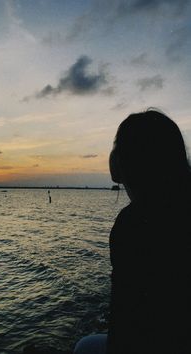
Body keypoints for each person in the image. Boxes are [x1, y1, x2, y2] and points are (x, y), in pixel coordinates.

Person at [74, 109, 191, 354]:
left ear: (122, 160)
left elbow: (125, 325)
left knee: (84, 347)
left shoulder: (134, 225)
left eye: (116, 145)